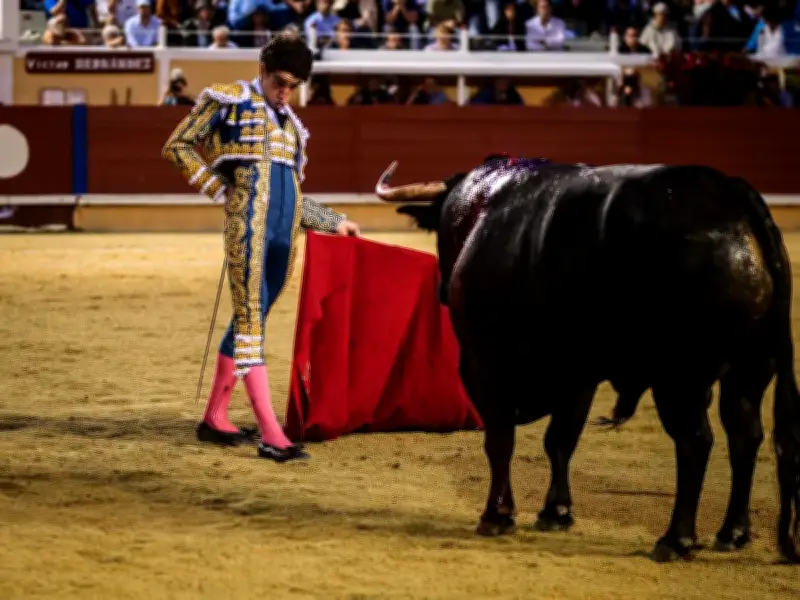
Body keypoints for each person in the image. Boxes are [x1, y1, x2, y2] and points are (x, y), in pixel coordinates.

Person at [162, 32, 360, 463]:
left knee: (251, 318)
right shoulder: (227, 99)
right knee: (252, 322)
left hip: (282, 240)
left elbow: (288, 193)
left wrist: (333, 221)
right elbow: (176, 145)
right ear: (262, 71)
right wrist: (219, 189)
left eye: (293, 86)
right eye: (280, 82)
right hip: (248, 231)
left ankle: (215, 417)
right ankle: (272, 433)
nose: (285, 92)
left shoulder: (292, 125)